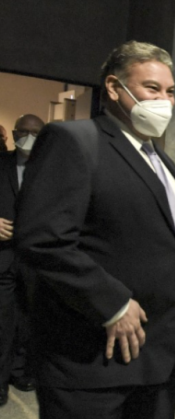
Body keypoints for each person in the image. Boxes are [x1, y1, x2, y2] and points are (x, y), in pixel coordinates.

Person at [14, 41, 175, 419]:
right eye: (152, 88)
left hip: (154, 358)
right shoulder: (73, 140)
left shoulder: (162, 161)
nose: (164, 101)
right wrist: (112, 302)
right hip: (91, 358)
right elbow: (42, 239)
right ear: (113, 87)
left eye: (171, 91)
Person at [0, 114, 44, 407]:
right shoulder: (1, 163)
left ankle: (21, 372)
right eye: (23, 131)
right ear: (14, 134)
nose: (28, 137)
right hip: (2, 256)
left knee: (29, 321)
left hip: (36, 259)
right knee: (2, 322)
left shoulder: (53, 167)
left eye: (35, 132)